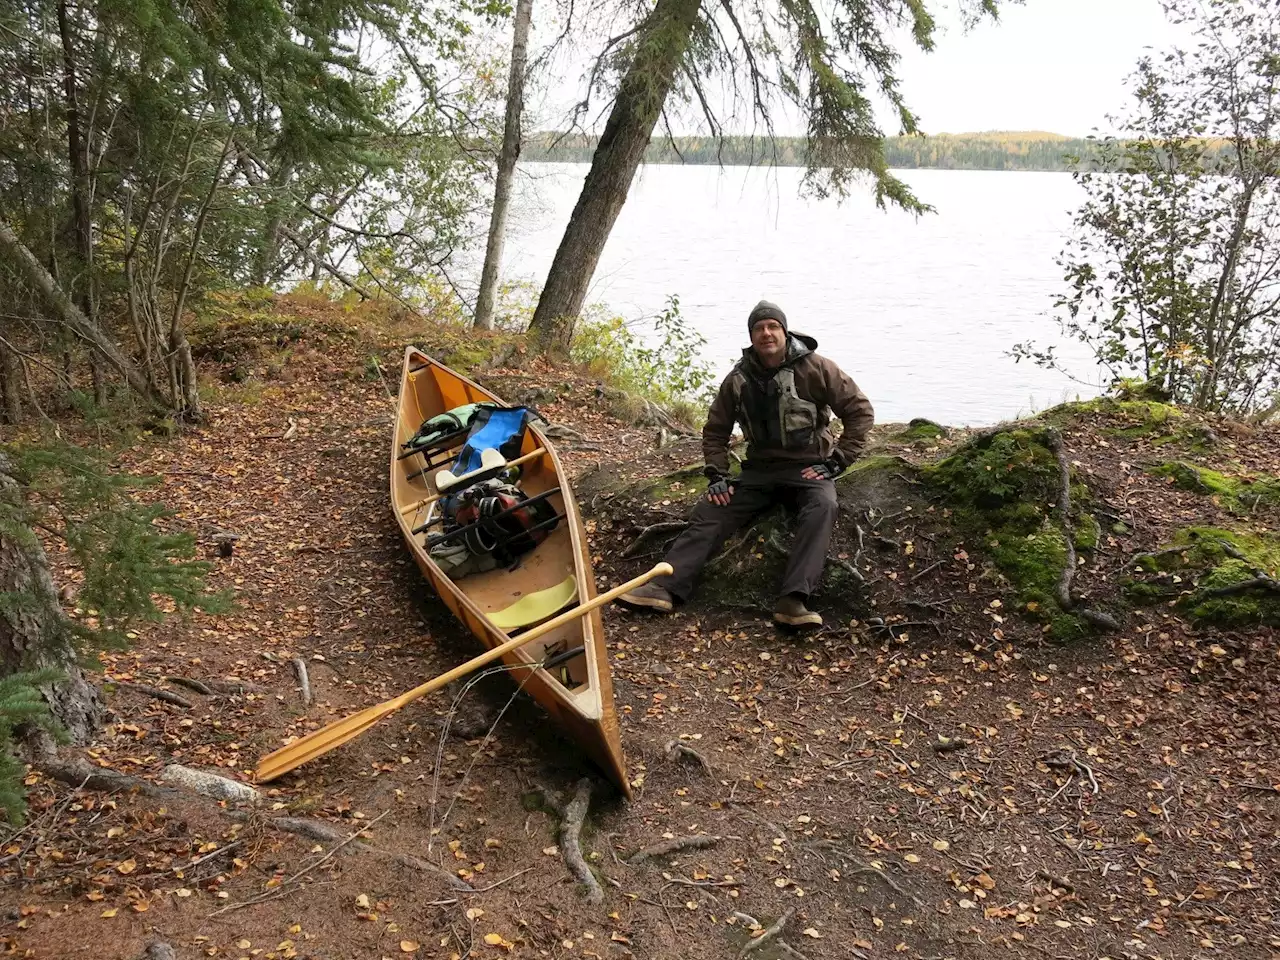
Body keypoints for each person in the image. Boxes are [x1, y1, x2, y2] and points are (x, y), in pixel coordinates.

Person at [617, 300, 874, 627]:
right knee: (713, 509)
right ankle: (665, 587)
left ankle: (793, 600)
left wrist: (838, 461)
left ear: (784, 331)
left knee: (822, 507)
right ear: (751, 336)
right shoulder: (738, 379)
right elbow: (715, 431)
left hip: (809, 468)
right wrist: (717, 475)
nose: (766, 333)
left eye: (772, 327)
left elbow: (860, 411)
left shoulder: (817, 368)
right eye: (759, 328)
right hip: (759, 472)